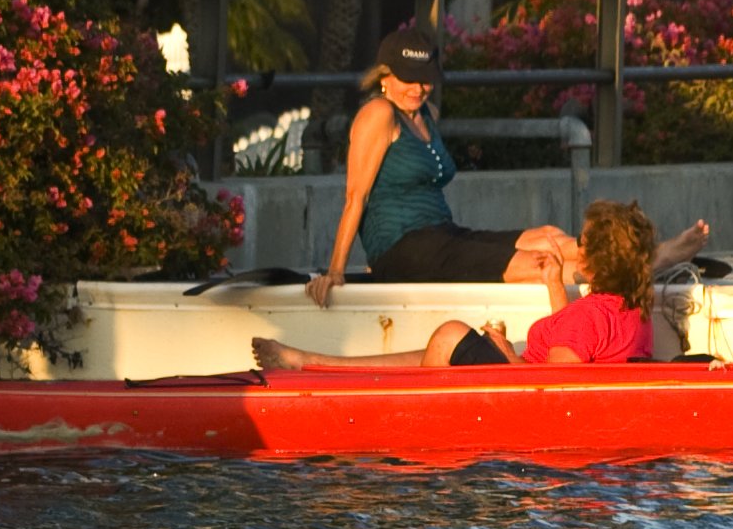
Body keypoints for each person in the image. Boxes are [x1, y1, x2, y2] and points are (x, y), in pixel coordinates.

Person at [306, 27, 577, 307]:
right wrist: (336, 272)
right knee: (540, 264)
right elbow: (355, 198)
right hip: (404, 250)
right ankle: (588, 315)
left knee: (549, 237)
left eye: (425, 80)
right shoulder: (379, 113)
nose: (418, 89)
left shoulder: (426, 114)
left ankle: (616, 263)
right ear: (384, 76)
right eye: (409, 79)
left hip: (444, 236)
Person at [257, 195, 677, 374]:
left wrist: (501, 353)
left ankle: (317, 366)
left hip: (515, 391)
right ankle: (310, 361)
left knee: (450, 334)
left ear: (591, 257)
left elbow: (553, 390)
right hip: (522, 373)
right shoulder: (627, 307)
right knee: (438, 350)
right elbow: (576, 346)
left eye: (581, 241)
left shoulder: (588, 317)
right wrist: (553, 282)